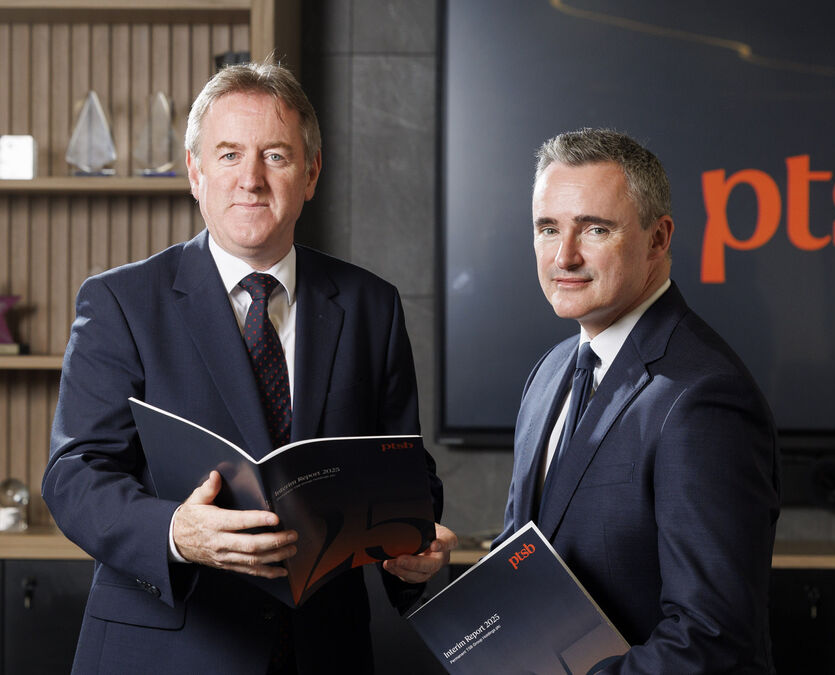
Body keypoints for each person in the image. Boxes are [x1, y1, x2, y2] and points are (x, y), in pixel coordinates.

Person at [43, 62, 455, 674]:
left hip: (323, 653)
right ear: (195, 172)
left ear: (311, 174)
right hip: (168, 650)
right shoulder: (121, 302)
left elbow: (405, 468)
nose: (251, 179)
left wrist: (414, 545)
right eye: (229, 154)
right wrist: (175, 532)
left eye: (276, 156)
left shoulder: (372, 305)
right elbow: (75, 475)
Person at [493, 128, 780, 673]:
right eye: (548, 228)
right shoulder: (549, 373)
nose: (564, 256)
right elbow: (524, 555)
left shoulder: (704, 398)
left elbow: (713, 640)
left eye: (595, 229)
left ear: (658, 238)